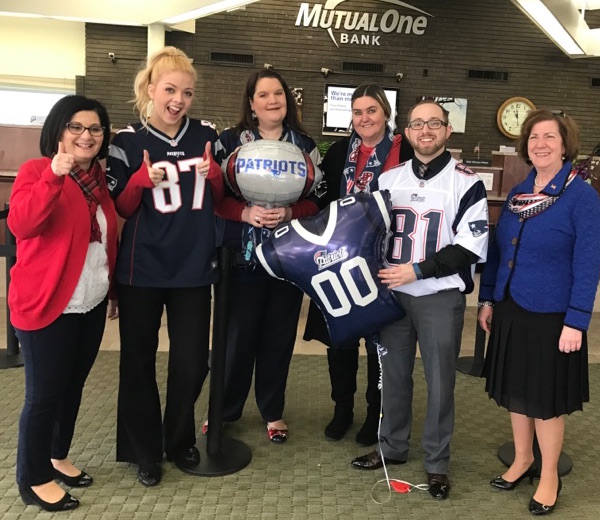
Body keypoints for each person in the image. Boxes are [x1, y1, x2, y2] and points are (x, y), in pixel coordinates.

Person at [351, 100, 489, 501]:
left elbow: (469, 247)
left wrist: (417, 271)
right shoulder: (388, 179)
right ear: (406, 133)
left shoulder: (467, 181)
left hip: (438, 296)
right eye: (417, 124)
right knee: (392, 377)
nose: (425, 130)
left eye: (434, 123)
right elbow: (367, 235)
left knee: (440, 381)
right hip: (393, 296)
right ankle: (392, 447)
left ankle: (436, 463)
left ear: (448, 131)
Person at [107, 46, 223, 487]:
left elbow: (224, 197)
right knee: (137, 361)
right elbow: (121, 204)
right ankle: (144, 450)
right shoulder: (126, 140)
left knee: (192, 362)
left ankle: (178, 439)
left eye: (187, 92)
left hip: (193, 267)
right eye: (170, 89)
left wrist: (214, 175)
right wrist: (140, 180)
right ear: (150, 89)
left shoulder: (207, 136)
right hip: (143, 269)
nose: (178, 99)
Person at [477, 109, 600, 515]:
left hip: (554, 316)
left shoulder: (581, 197)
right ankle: (522, 458)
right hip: (512, 307)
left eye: (549, 137)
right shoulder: (518, 194)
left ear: (566, 144)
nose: (540, 144)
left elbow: (588, 262)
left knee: (544, 399)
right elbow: (499, 249)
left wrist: (577, 319)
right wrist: (490, 299)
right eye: (533, 137)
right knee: (517, 391)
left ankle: (549, 475)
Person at [8, 95, 118, 511]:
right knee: (44, 395)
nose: (86, 136)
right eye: (76, 127)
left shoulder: (99, 180)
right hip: (46, 305)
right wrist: (54, 176)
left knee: (71, 388)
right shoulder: (37, 171)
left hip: (88, 303)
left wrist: (112, 291)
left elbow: (107, 238)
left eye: (94, 128)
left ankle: (57, 456)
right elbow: (23, 224)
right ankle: (32, 477)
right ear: (57, 131)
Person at [303, 83, 414, 446]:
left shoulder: (406, 150)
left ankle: (374, 413)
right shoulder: (337, 152)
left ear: (385, 113)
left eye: (371, 110)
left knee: (378, 341)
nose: (364, 118)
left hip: (387, 258)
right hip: (341, 259)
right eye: (357, 112)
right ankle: (342, 409)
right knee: (342, 337)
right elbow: (320, 202)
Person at [213, 68, 321, 443]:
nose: (273, 100)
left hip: (287, 258)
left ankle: (273, 411)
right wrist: (243, 213)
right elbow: (214, 199)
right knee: (236, 337)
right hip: (240, 257)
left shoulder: (305, 145)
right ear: (251, 103)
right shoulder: (227, 142)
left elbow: (318, 203)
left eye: (279, 93)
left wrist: (291, 212)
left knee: (278, 336)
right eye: (263, 95)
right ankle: (225, 408)